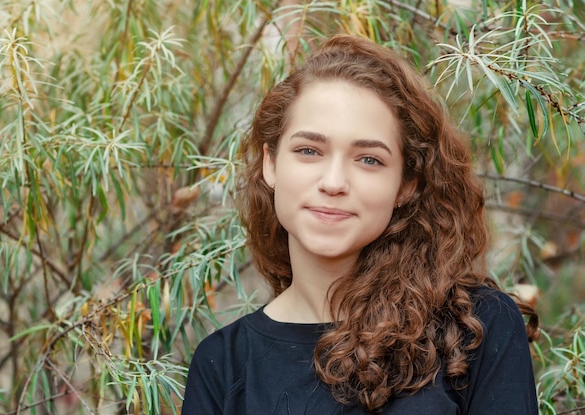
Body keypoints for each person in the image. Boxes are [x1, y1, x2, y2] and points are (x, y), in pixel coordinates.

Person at [181, 34, 539, 414]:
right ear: (271, 164)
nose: (333, 182)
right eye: (308, 151)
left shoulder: (474, 328)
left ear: (406, 184)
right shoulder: (223, 363)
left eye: (369, 159)